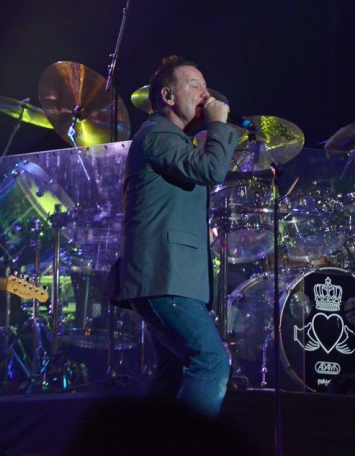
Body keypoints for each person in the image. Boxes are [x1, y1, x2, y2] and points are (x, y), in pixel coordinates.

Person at [105, 55, 238, 418]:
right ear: (167, 95)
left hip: (167, 277)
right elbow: (210, 169)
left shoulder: (172, 140)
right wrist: (220, 128)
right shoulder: (158, 134)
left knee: (173, 371)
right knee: (211, 361)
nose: (204, 92)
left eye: (204, 85)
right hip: (164, 277)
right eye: (193, 84)